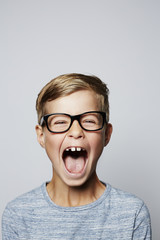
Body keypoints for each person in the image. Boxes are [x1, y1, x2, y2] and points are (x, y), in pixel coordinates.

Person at [2, 73, 152, 239]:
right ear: (41, 136)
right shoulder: (18, 215)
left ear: (106, 134)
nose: (75, 132)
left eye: (89, 121)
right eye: (59, 122)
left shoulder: (132, 213)